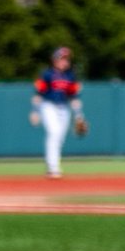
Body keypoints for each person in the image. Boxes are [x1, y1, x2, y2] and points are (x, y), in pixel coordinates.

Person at [29, 46, 85, 178]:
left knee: (60, 137)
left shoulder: (70, 76)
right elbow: (38, 93)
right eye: (62, 58)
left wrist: (79, 115)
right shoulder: (47, 74)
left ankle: (53, 166)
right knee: (54, 133)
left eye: (67, 59)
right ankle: (53, 167)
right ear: (55, 60)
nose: (65, 61)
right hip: (48, 106)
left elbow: (74, 97)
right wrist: (34, 111)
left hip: (64, 108)